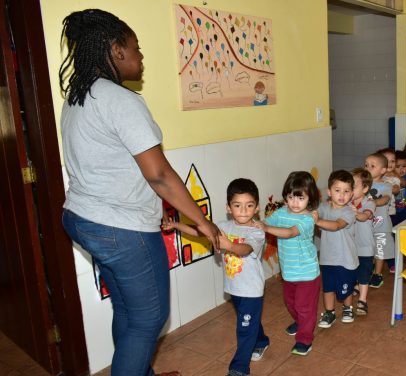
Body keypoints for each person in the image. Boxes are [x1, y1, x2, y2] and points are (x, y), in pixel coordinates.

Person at [58, 9, 220, 376]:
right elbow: (160, 175)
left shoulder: (79, 98)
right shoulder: (122, 101)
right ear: (116, 50)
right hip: (120, 228)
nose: (141, 56)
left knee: (130, 312)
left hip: (83, 218)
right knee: (150, 319)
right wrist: (203, 223)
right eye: (136, 48)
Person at [164, 179, 268, 376]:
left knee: (244, 328)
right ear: (228, 208)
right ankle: (261, 341)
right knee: (249, 320)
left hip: (252, 289)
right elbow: (198, 231)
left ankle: (239, 368)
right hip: (234, 287)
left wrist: (228, 245)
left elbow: (244, 250)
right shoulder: (222, 226)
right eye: (237, 206)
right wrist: (176, 224)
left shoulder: (257, 231)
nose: (244, 211)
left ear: (257, 207)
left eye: (249, 205)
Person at [255, 171, 320, 356]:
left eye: (300, 198)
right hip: (288, 272)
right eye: (291, 197)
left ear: (310, 198)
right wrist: (257, 224)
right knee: (291, 303)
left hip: (307, 273)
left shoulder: (308, 219)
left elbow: (290, 232)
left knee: (304, 307)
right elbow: (266, 221)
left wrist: (266, 228)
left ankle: (304, 339)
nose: (295, 202)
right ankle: (300, 321)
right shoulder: (282, 212)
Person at [314, 170, 358, 327]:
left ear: (352, 194)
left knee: (346, 288)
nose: (342, 195)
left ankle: (347, 308)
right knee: (328, 288)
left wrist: (317, 221)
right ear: (329, 192)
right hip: (327, 258)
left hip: (346, 259)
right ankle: (329, 312)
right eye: (337, 190)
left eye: (346, 191)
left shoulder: (349, 211)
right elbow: (312, 212)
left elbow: (337, 225)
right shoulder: (323, 207)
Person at [364, 153, 395, 288]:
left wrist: (374, 202)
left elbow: (386, 199)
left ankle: (378, 274)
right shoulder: (362, 183)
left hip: (381, 225)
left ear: (383, 170)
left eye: (372, 166)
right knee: (366, 248)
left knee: (380, 250)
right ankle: (367, 270)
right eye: (366, 165)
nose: (367, 168)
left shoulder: (386, 185)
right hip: (365, 224)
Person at [350, 168, 375, 316]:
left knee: (364, 274)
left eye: (353, 186)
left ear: (365, 188)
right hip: (351, 247)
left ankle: (363, 300)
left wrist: (354, 212)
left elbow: (364, 217)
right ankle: (356, 286)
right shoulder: (347, 203)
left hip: (365, 247)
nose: (349, 190)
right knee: (353, 270)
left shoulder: (369, 203)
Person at [391, 150, 406, 226]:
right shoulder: (390, 179)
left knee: (405, 226)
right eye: (397, 167)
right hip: (394, 209)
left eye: (404, 166)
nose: (401, 169)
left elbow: (403, 184)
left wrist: (394, 174)